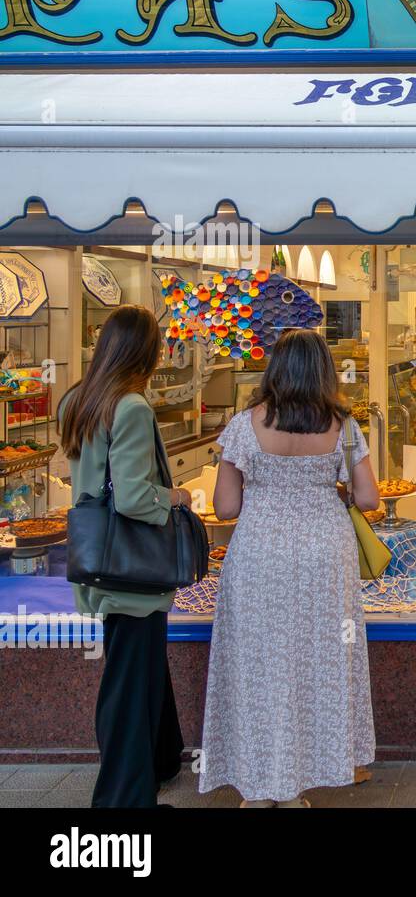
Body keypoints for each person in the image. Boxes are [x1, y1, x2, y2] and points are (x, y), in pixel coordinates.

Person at [201, 329, 380, 808]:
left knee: (259, 666)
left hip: (259, 557)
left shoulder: (244, 424)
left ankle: (260, 789)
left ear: (275, 368)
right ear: (323, 370)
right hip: (325, 558)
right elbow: (368, 498)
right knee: (315, 667)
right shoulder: (343, 425)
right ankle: (298, 781)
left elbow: (225, 508)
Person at [58, 304, 188, 809]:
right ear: (146, 352)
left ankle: (159, 762)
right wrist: (175, 499)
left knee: (138, 670)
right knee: (129, 684)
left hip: (98, 558)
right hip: (132, 568)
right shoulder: (131, 406)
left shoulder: (78, 400)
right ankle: (122, 802)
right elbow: (134, 497)